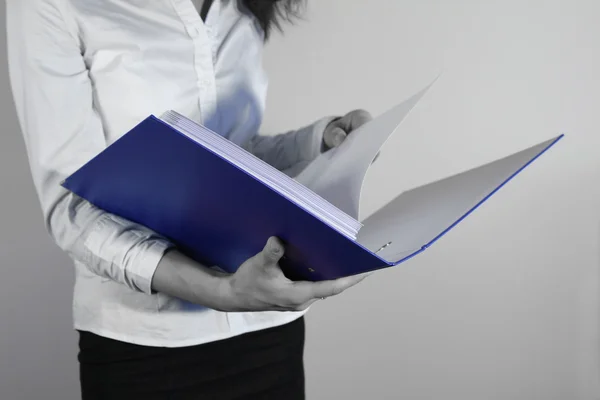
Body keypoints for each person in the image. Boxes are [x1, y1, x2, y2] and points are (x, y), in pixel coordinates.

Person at [6, 0, 372, 398]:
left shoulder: (240, 8)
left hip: (269, 333)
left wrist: (321, 139)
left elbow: (230, 156)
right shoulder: (49, 6)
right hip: (146, 348)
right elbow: (72, 208)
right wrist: (221, 291)